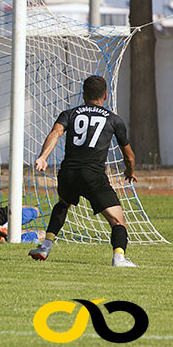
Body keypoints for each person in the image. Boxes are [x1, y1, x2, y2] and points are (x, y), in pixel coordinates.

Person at [30, 75, 138, 267]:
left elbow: (55, 133)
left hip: (68, 173)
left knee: (63, 204)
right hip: (93, 175)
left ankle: (45, 246)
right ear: (105, 95)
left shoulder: (69, 113)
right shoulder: (114, 120)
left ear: (83, 95)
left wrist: (43, 157)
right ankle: (119, 258)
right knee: (118, 221)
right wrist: (130, 172)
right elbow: (129, 156)